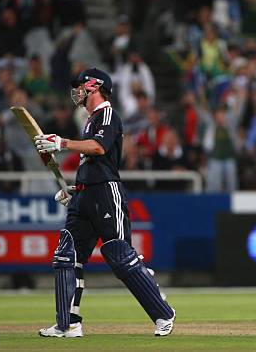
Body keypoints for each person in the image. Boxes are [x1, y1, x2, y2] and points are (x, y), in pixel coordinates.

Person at [33, 68, 175, 338]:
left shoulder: (108, 115)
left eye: (81, 85)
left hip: (106, 193)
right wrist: (75, 189)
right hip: (86, 194)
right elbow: (92, 161)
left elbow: (99, 148)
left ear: (95, 86)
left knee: (120, 257)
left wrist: (61, 142)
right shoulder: (89, 120)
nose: (77, 91)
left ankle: (163, 313)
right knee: (67, 255)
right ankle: (68, 323)